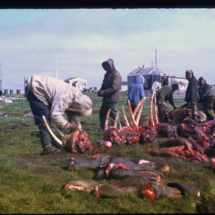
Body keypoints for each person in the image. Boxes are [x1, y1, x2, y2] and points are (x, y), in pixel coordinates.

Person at [25, 75, 92, 155]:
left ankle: (53, 142)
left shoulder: (77, 97)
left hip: (41, 88)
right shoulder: (66, 96)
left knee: (48, 117)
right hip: (35, 89)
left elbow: (73, 113)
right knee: (44, 117)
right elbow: (55, 115)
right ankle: (47, 146)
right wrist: (69, 126)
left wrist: (79, 130)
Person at [98, 59, 122, 131]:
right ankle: (103, 128)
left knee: (114, 115)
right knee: (102, 113)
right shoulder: (107, 74)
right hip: (106, 98)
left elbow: (114, 87)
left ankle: (118, 129)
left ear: (111, 66)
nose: (106, 68)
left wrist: (104, 92)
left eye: (107, 66)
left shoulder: (116, 74)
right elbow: (103, 84)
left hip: (113, 98)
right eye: (104, 66)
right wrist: (101, 90)